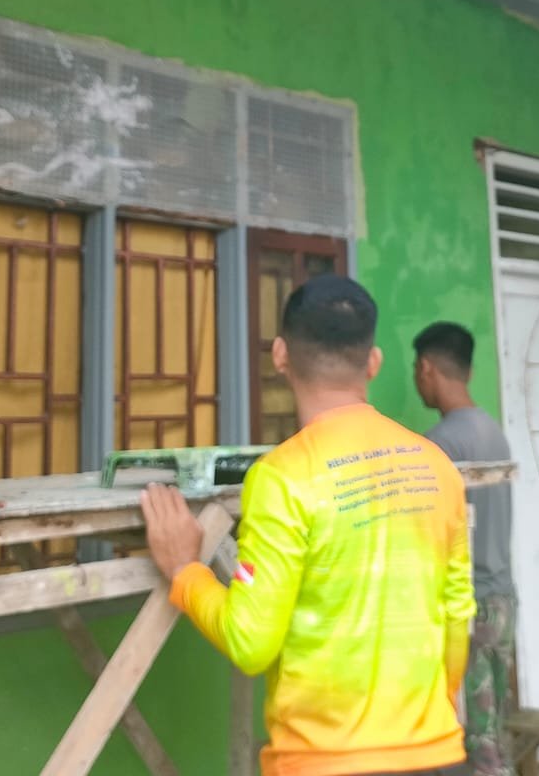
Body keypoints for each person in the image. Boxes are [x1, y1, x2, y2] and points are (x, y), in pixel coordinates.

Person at [140, 275, 475, 776]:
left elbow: (251, 643)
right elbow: (457, 615)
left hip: (323, 762)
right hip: (438, 755)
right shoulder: (437, 466)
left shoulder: (283, 477)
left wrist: (185, 572)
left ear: (279, 355)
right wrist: (430, 718)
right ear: (374, 362)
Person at [413, 323, 516, 776]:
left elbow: (426, 534)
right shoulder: (493, 432)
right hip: (502, 601)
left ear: (426, 368)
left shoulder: (440, 444)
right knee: (492, 733)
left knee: (475, 747)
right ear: (469, 371)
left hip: (466, 612)